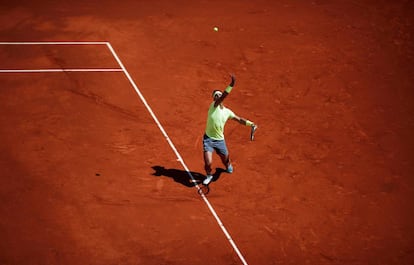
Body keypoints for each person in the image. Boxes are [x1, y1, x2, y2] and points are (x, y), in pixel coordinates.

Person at [202, 74, 257, 185]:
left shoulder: (228, 112)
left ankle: (227, 166)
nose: (217, 96)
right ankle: (209, 175)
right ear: (214, 99)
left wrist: (251, 124)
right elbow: (224, 96)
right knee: (208, 162)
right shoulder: (213, 106)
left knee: (225, 160)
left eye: (219, 95)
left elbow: (239, 120)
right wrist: (231, 85)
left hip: (220, 140)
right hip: (208, 139)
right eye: (216, 95)